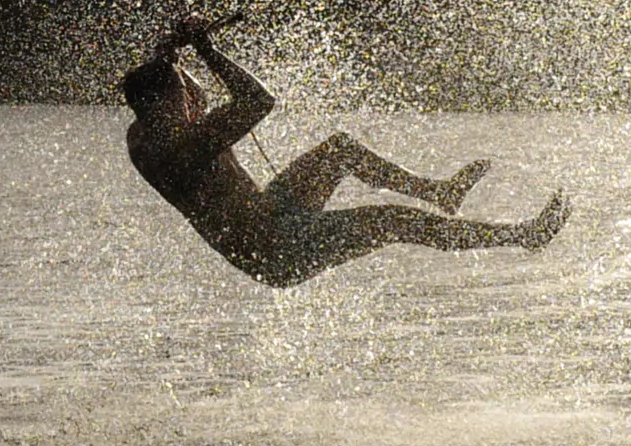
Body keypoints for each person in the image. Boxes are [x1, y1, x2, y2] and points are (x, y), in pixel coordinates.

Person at [121, 15, 568, 287]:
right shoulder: (185, 147)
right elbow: (259, 101)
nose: (197, 101)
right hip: (276, 250)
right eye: (187, 97)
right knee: (395, 221)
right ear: (167, 106)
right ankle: (522, 236)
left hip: (272, 214)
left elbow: (167, 87)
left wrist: (171, 52)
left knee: (340, 150)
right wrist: (207, 49)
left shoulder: (141, 135)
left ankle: (438, 192)